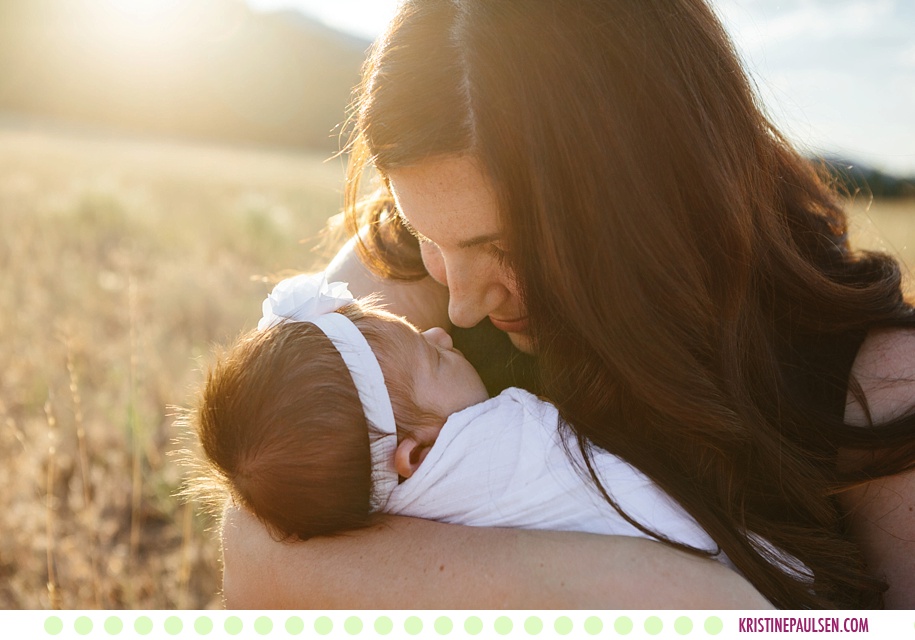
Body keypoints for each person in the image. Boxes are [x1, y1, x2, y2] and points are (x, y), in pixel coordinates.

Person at [223, 0, 915, 609]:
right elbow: (256, 551)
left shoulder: (877, 383)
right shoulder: (414, 263)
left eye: (505, 246)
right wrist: (669, 595)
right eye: (430, 235)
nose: (458, 307)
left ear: (654, 191)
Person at [199, 274, 756, 571]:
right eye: (434, 357)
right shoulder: (498, 451)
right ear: (415, 455)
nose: (444, 332)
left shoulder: (375, 500)